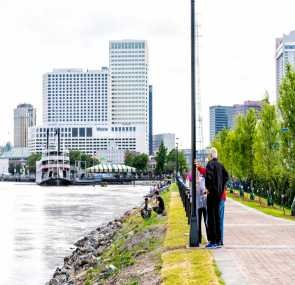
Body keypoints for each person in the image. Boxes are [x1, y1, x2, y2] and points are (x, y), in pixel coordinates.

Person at [205, 148, 229, 249]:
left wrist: (209, 189)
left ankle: (213, 241)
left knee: (211, 218)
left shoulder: (209, 165)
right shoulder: (221, 165)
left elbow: (208, 178)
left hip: (212, 194)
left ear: (210, 155)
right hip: (219, 194)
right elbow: (226, 176)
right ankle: (219, 240)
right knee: (218, 217)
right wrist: (221, 187)